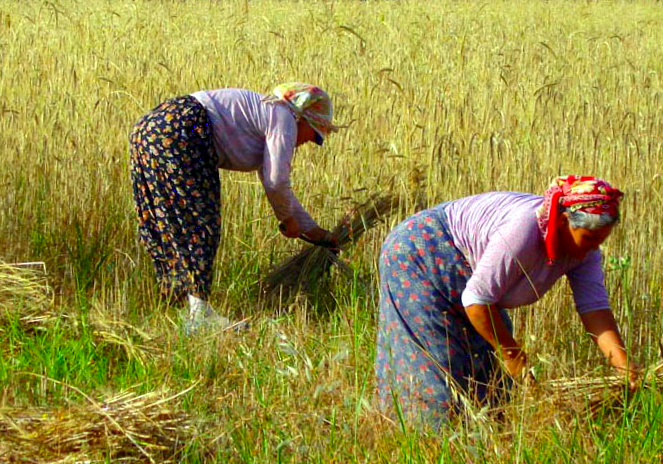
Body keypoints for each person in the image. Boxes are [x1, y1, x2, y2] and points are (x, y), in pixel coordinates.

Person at [375, 175, 638, 428]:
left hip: (466, 274)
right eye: (590, 239)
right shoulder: (524, 230)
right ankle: (428, 442)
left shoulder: (586, 250)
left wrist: (623, 367)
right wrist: (515, 359)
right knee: (440, 371)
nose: (593, 248)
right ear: (563, 221)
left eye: (600, 241)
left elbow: (594, 308)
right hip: (420, 251)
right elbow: (477, 300)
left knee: (492, 386)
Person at [129, 83, 340, 333]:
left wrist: (315, 233)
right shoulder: (284, 118)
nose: (309, 142)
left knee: (166, 218)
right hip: (186, 126)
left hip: (150, 127)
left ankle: (179, 305)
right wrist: (286, 220)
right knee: (200, 221)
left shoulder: (268, 113)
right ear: (303, 117)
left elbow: (278, 186)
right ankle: (199, 314)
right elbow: (276, 182)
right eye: (315, 135)